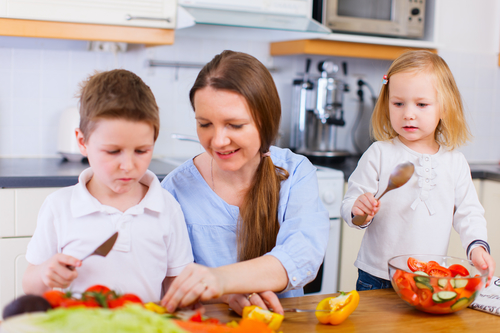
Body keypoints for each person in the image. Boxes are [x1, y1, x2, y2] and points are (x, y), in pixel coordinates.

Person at [160, 50, 330, 315]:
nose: (217, 141)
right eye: (205, 124)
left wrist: (220, 280)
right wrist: (228, 296)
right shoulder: (175, 189)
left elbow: (303, 254)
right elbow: (172, 283)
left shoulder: (295, 173)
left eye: (235, 125)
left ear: (265, 121)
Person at [22, 69, 193, 303]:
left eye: (142, 151)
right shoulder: (59, 207)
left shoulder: (167, 207)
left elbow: (177, 285)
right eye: (113, 151)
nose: (128, 165)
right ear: (82, 142)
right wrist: (45, 273)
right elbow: (31, 287)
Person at [341, 50, 496, 291]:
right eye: (398, 103)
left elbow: (469, 212)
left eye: (422, 104)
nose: (408, 114)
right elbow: (351, 207)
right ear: (387, 104)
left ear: (444, 108)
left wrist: (476, 247)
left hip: (427, 278)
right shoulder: (379, 153)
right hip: (377, 277)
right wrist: (358, 210)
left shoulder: (454, 162)